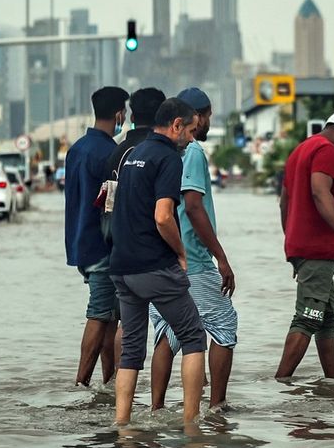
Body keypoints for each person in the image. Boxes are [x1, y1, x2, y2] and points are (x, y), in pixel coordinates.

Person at [108, 98, 206, 425]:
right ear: (176, 125)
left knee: (132, 350)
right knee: (194, 337)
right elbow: (164, 217)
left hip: (122, 267)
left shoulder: (133, 154)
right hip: (153, 266)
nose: (192, 139)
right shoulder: (168, 158)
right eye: (190, 131)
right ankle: (192, 423)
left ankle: (122, 425)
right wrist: (181, 252)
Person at [148, 88, 239, 412]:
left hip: (160, 258)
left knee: (167, 333)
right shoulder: (194, 152)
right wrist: (221, 258)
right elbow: (194, 206)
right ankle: (217, 405)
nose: (208, 122)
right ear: (196, 118)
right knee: (224, 324)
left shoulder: (160, 151)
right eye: (209, 115)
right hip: (194, 260)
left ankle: (156, 407)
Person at [274, 111, 334, 379]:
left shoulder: (300, 150)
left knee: (327, 319)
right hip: (317, 251)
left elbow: (284, 202)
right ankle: (281, 381)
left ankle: (331, 384)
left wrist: (292, 245)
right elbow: (319, 191)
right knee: (308, 317)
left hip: (308, 250)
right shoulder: (326, 150)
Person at [64, 86, 130, 386]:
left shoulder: (76, 148)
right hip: (102, 247)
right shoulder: (109, 153)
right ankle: (80, 384)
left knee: (109, 317)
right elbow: (111, 207)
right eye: (124, 112)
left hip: (80, 243)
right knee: (100, 313)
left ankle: (107, 384)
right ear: (119, 114)